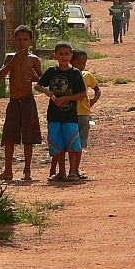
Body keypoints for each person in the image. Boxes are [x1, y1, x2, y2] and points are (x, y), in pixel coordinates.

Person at [0, 25, 43, 181]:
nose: (22, 43)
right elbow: (0, 76)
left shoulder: (34, 59)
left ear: (30, 41)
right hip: (14, 101)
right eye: (19, 40)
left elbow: (43, 80)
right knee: (9, 136)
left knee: (28, 137)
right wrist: (13, 61)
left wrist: (36, 78)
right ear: (14, 41)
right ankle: (8, 171)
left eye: (25, 40)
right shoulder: (10, 57)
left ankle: (27, 171)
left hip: (28, 101)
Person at [35, 41, 87, 182]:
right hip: (54, 115)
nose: (64, 57)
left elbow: (82, 93)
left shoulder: (75, 73)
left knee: (72, 145)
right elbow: (38, 86)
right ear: (55, 55)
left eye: (66, 54)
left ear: (71, 56)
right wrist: (47, 92)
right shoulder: (51, 72)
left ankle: (73, 172)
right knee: (57, 146)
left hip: (70, 116)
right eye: (61, 54)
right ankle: (61, 172)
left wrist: (66, 99)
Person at [49, 49, 101, 179]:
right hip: (67, 114)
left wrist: (93, 101)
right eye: (78, 63)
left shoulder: (86, 75)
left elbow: (97, 90)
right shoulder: (67, 75)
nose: (81, 66)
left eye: (84, 63)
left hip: (82, 114)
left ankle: (75, 170)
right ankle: (58, 170)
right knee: (62, 142)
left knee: (78, 144)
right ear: (71, 61)